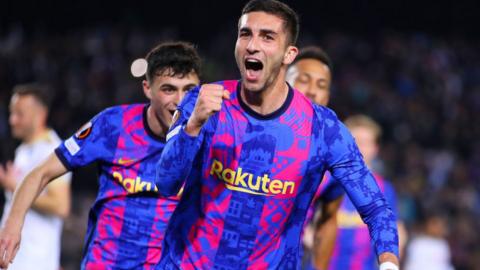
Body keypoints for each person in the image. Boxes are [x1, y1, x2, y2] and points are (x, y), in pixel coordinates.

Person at [155, 1, 399, 269]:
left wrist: (388, 263)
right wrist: (192, 127)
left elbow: (376, 209)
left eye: (267, 37)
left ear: (288, 54)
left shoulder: (324, 129)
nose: (252, 45)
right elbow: (166, 183)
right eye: (245, 33)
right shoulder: (200, 102)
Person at [0, 41, 201, 269]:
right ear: (147, 88)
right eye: (168, 89)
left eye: (189, 90)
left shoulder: (207, 137)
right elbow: (41, 173)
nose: (180, 101)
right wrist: (12, 225)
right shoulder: (112, 126)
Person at [0, 84, 72, 270]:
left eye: (19, 114)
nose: (12, 120)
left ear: (40, 115)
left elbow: (60, 205)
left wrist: (13, 186)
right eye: (11, 113)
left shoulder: (53, 152)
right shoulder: (23, 151)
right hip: (17, 261)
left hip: (35, 263)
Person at [323, 115, 407, 270]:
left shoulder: (384, 189)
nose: (360, 147)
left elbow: (397, 231)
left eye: (366, 142)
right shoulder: (324, 182)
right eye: (356, 142)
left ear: (375, 148)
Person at [286, 45, 343, 269]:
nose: (311, 91)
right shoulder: (244, 128)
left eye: (321, 85)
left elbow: (328, 220)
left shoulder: (332, 156)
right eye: (303, 80)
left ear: (327, 96)